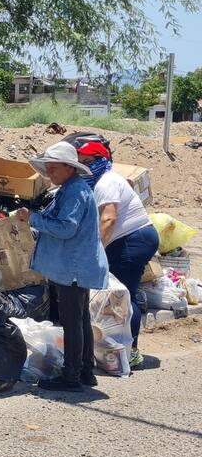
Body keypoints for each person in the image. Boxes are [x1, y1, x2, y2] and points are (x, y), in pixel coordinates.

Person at [14, 141, 109, 392]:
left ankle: (71, 376)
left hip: (73, 268)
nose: (50, 174)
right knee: (80, 319)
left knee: (72, 321)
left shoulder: (75, 192)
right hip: (76, 266)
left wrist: (32, 218)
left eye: (54, 169)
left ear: (69, 168)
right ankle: (85, 371)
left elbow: (66, 228)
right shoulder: (71, 189)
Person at [77, 139, 158, 365]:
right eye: (81, 163)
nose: (85, 166)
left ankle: (130, 352)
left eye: (89, 161)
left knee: (122, 295)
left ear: (103, 160)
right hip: (129, 240)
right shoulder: (98, 183)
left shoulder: (107, 182)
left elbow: (109, 219)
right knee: (118, 295)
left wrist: (96, 253)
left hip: (133, 240)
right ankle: (118, 348)